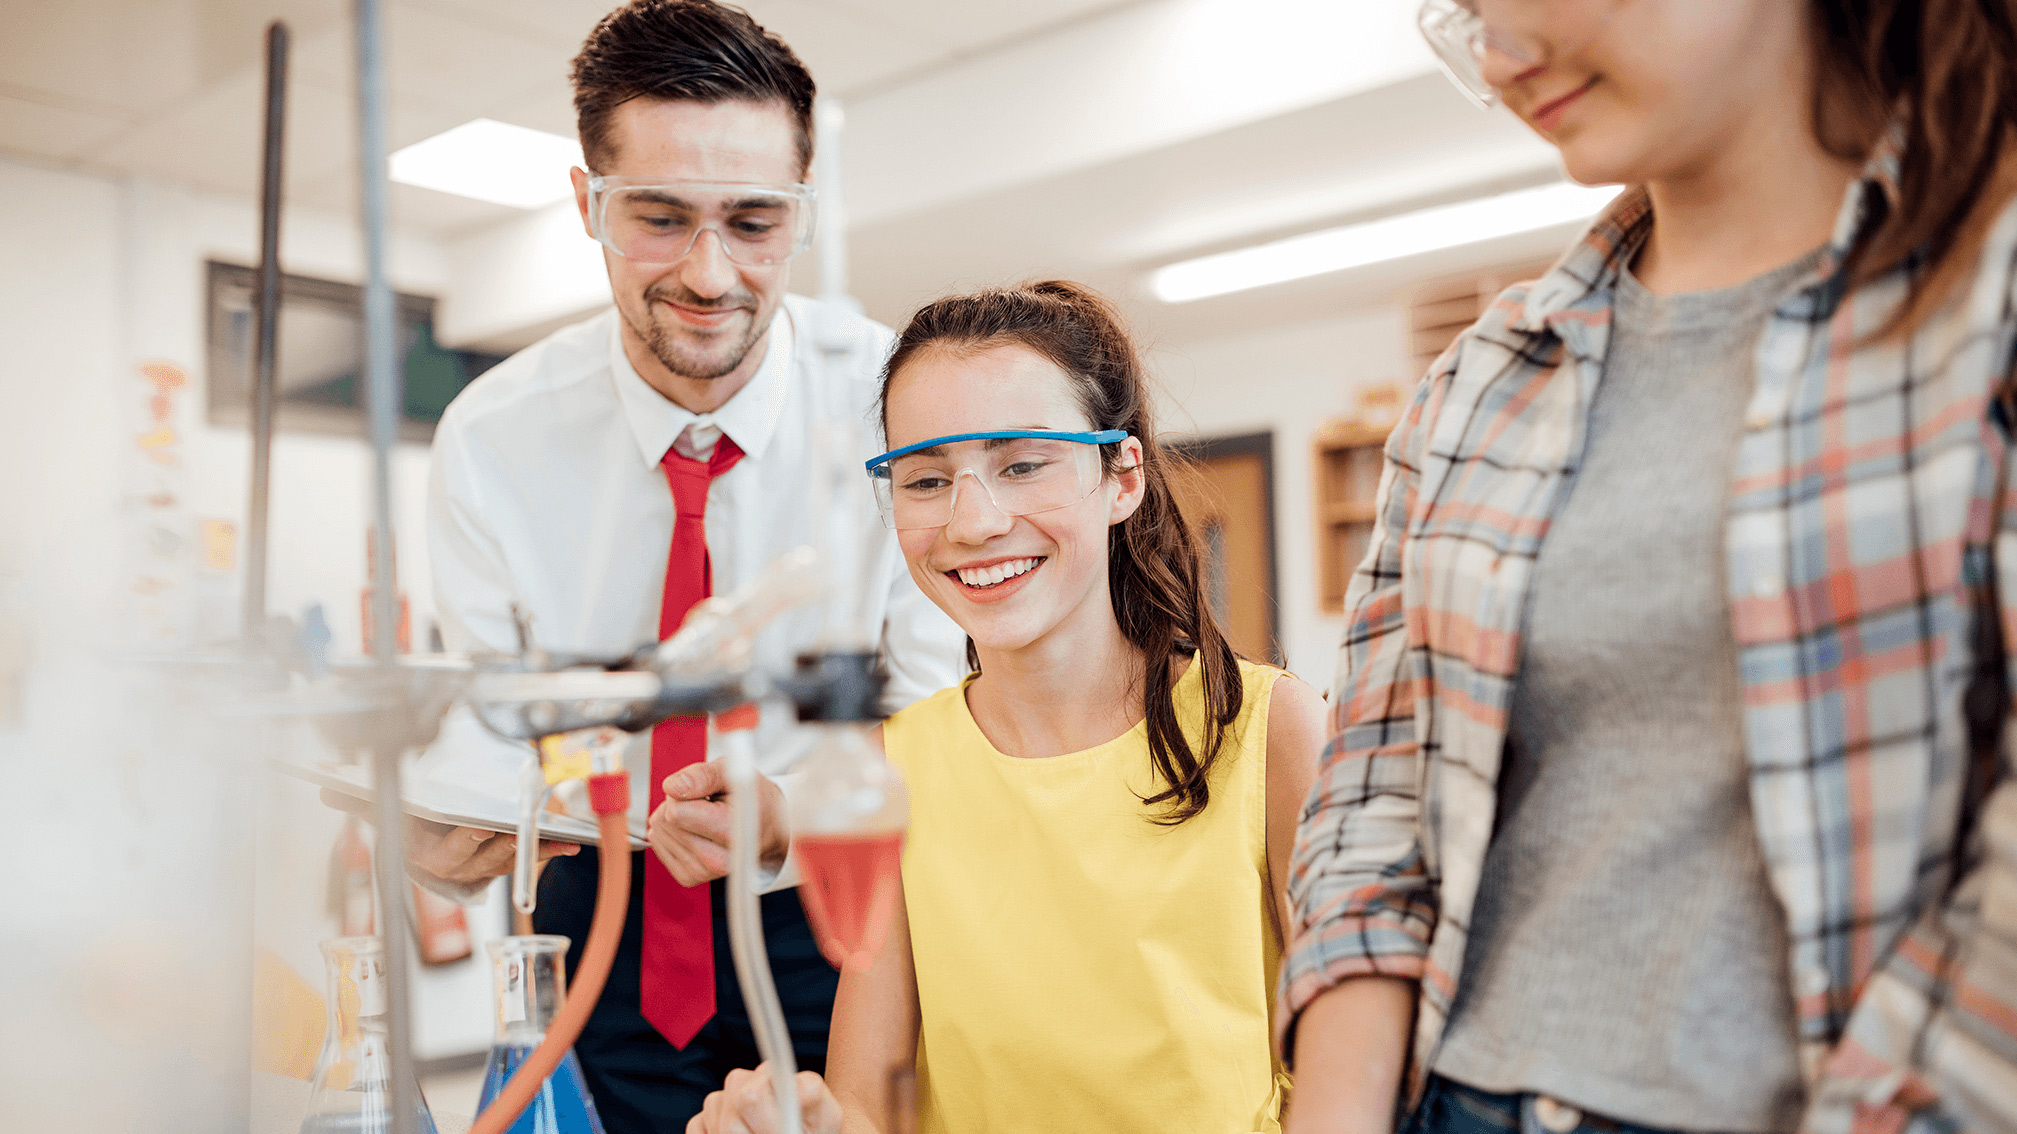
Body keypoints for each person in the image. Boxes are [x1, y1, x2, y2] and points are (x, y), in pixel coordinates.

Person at [1282, 1, 2017, 1132]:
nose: (1496, 52)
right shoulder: (1477, 384)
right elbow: (1373, 807)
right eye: (1466, 14)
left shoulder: (1982, 303)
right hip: (1455, 1100)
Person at [416, 2, 963, 1130]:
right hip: (600, 910)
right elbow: (494, 718)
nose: (710, 274)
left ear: (805, 214)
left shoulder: (893, 405)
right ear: (587, 204)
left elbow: (943, 712)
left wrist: (784, 808)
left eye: (754, 221)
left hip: (838, 903)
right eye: (659, 219)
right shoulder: (491, 437)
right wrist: (442, 819)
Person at [685, 280, 1326, 1134]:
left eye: (1023, 465)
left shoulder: (1271, 731)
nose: (974, 521)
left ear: (1122, 475)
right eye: (925, 479)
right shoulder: (895, 768)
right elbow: (868, 1106)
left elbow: (1348, 1083)